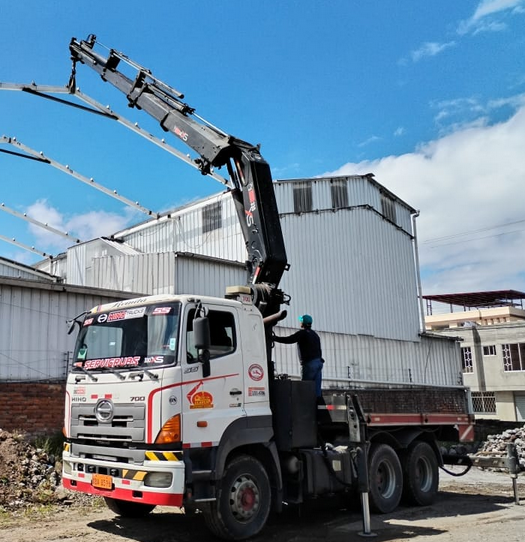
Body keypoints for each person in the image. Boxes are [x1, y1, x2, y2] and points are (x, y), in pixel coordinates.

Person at [273, 314, 324, 397]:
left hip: (310, 364)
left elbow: (290, 339)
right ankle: (317, 405)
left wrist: (275, 338)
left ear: (302, 323)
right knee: (316, 389)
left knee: (305, 387)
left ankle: (305, 406)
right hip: (319, 363)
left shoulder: (303, 334)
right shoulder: (315, 335)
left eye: (301, 321)